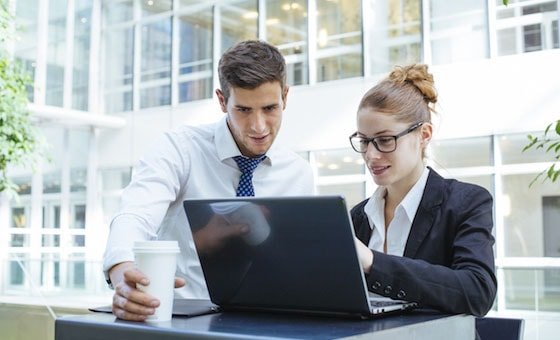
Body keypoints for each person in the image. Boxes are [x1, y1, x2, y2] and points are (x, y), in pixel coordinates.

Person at [103, 40, 315, 321]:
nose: (258, 126)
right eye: (243, 110)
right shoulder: (179, 149)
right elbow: (135, 215)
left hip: (267, 322)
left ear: (285, 97)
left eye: (269, 108)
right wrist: (121, 273)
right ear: (222, 100)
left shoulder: (299, 173)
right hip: (185, 323)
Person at [350, 64, 496, 316]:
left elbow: (478, 292)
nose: (371, 155)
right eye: (364, 141)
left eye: (385, 140)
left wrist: (373, 263)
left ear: (424, 135)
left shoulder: (466, 203)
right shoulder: (359, 216)